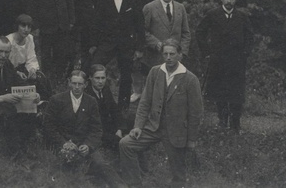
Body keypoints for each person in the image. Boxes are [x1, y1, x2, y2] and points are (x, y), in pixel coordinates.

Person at [119, 39, 202, 188]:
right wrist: (138, 126)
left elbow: (195, 113)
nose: (168, 57)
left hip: (176, 132)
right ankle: (135, 183)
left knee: (178, 173)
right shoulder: (155, 72)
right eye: (165, 54)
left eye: (172, 54)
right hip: (153, 127)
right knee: (126, 144)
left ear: (180, 55)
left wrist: (191, 139)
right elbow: (145, 102)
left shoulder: (190, 79)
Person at [44, 71, 123, 187]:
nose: (76, 87)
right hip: (62, 145)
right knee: (67, 171)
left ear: (85, 84)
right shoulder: (56, 100)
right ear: (69, 83)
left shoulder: (91, 101)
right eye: (74, 83)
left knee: (102, 164)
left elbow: (96, 129)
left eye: (80, 84)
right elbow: (49, 127)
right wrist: (63, 143)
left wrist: (88, 145)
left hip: (84, 145)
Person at [196, 0, 253, 132]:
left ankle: (235, 124)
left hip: (236, 61)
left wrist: (245, 53)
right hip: (218, 60)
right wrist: (207, 51)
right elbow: (200, 32)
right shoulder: (213, 14)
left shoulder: (242, 17)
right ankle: (222, 121)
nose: (229, 1)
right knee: (220, 92)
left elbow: (250, 36)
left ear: (235, 0)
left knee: (236, 94)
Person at [91, 0, 145, 111]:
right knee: (95, 67)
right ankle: (97, 102)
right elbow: (97, 22)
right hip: (107, 43)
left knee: (126, 75)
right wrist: (95, 44)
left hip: (126, 44)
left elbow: (140, 24)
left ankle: (123, 108)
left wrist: (139, 48)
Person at [142, 0, 192, 69]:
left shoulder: (180, 8)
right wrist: (156, 44)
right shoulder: (149, 7)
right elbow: (143, 31)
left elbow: (186, 32)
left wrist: (182, 53)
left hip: (176, 58)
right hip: (155, 57)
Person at [5, 14, 52, 98]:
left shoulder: (29, 38)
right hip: (9, 71)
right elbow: (4, 63)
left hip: (23, 69)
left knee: (42, 79)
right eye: (23, 26)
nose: (26, 29)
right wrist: (16, 72)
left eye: (29, 27)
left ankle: (42, 103)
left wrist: (32, 70)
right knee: (22, 83)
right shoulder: (9, 41)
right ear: (17, 26)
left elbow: (31, 58)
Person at [88, 64, 124, 150]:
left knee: (135, 125)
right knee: (121, 143)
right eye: (97, 78)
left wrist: (119, 128)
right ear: (90, 78)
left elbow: (115, 110)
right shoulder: (87, 94)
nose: (100, 81)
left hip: (109, 125)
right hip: (97, 131)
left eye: (103, 78)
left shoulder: (105, 89)